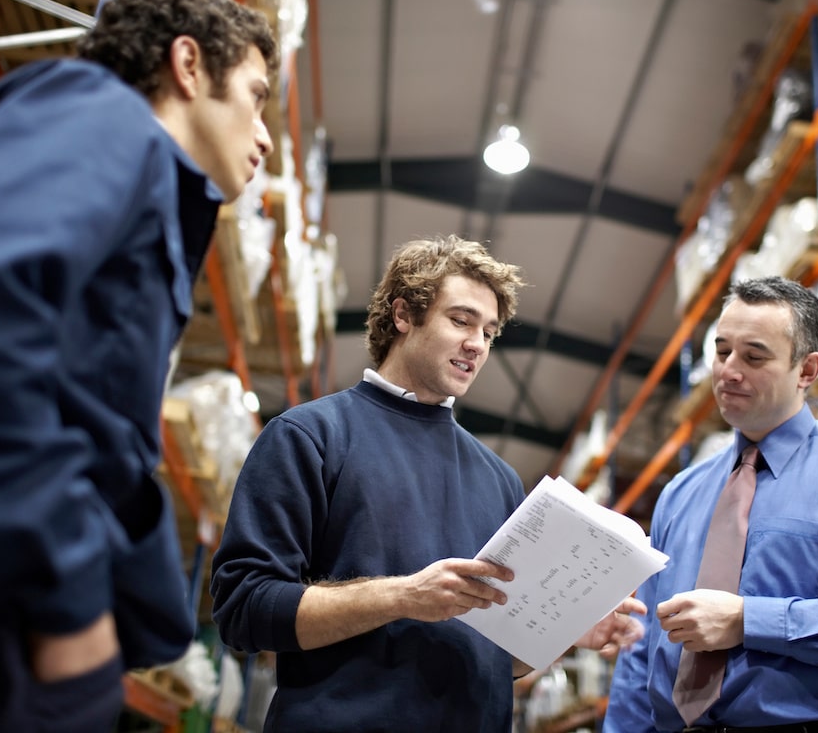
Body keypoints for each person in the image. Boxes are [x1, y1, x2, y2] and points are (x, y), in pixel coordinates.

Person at [0, 0, 278, 730]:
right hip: (0, 616)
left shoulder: (145, 187)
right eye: (256, 98)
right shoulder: (100, 117)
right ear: (188, 66)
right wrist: (69, 604)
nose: (262, 136)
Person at [211, 234, 646, 732]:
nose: (477, 344)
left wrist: (558, 630)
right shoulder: (310, 436)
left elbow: (497, 663)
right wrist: (404, 596)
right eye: (461, 320)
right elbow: (243, 609)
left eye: (489, 331)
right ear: (403, 315)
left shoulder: (500, 479)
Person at [604, 276, 818, 733]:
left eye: (753, 356)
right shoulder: (681, 494)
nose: (729, 371)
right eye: (722, 352)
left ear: (807, 370)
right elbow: (642, 650)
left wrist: (751, 620)